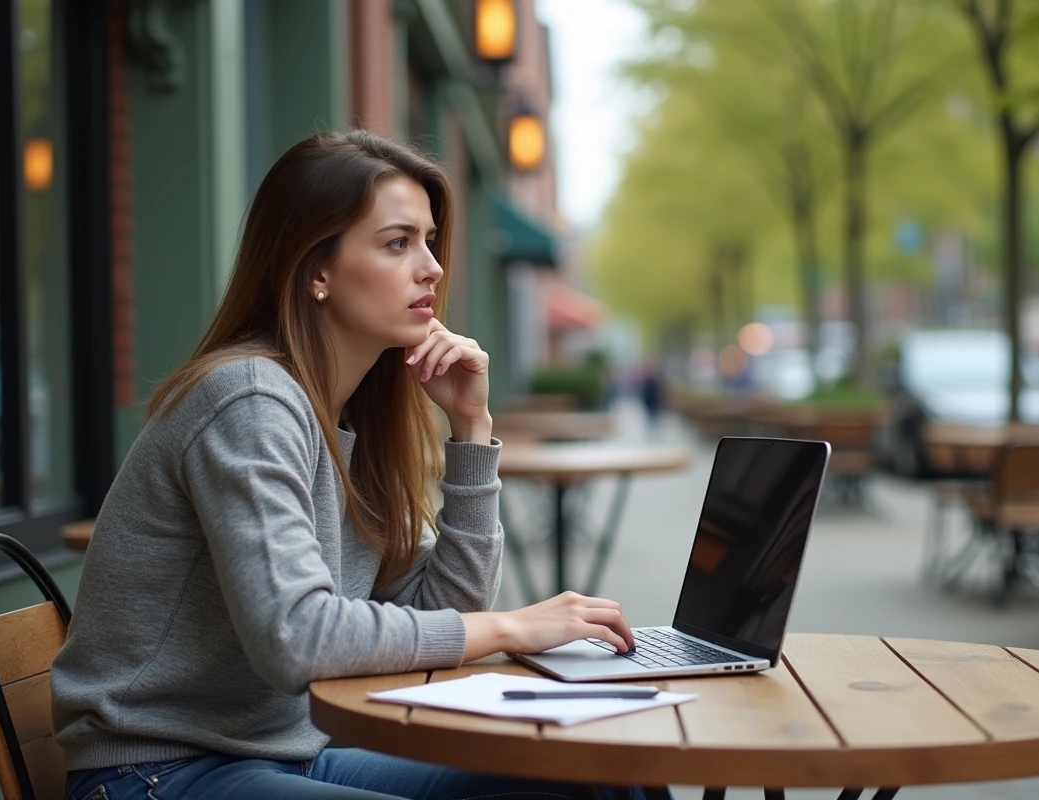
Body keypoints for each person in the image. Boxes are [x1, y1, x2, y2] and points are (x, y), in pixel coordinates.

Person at [52, 130, 638, 800]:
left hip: (282, 759)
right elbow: (299, 638)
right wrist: (511, 628)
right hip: (155, 773)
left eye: (429, 240)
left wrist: (472, 432)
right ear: (317, 271)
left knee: (597, 775)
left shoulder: (351, 416)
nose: (432, 267)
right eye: (398, 242)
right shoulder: (248, 399)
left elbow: (442, 608)